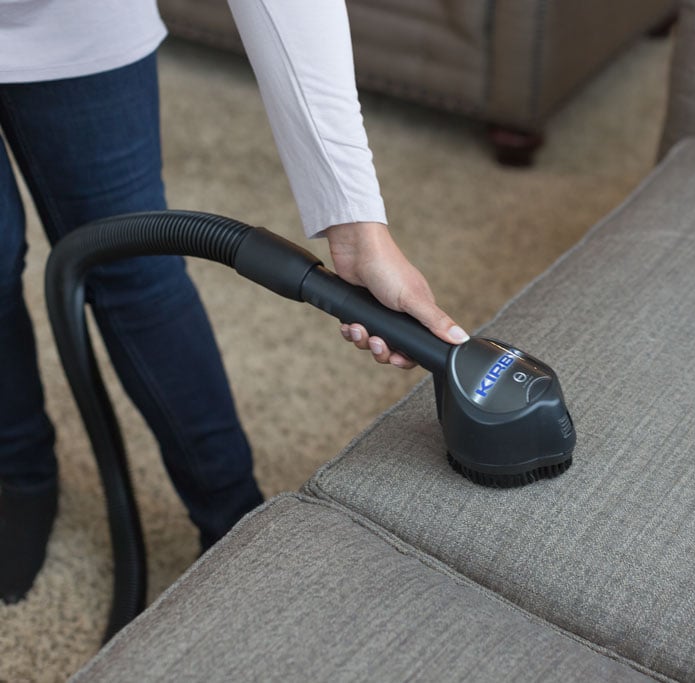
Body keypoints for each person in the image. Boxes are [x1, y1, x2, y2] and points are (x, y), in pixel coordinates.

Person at [0, 0, 467, 604]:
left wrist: (356, 229)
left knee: (137, 273)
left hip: (79, 17)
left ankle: (230, 517)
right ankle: (22, 476)